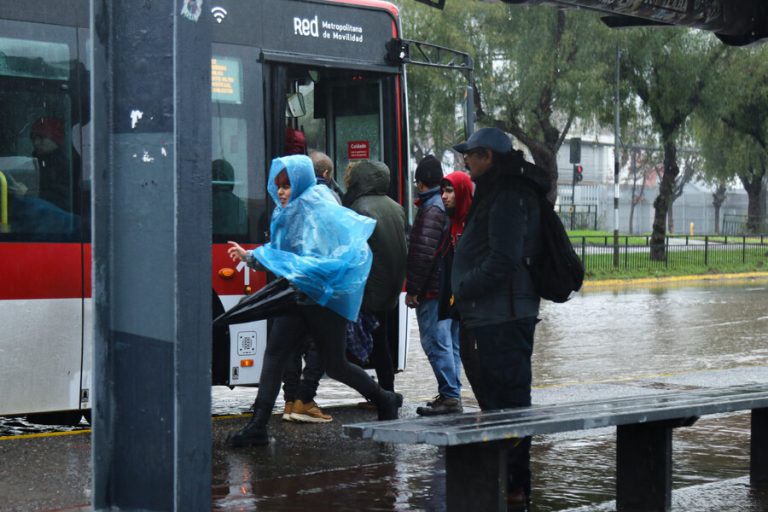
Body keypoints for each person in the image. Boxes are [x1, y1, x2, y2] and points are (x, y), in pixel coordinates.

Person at [226, 154, 400, 447]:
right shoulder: (286, 211)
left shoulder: (319, 206)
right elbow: (283, 255)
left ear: (300, 181)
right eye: (278, 186)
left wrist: (257, 257)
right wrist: (251, 258)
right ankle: (257, 426)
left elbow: (314, 259)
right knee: (275, 355)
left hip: (323, 300)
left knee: (335, 365)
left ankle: (384, 398)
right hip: (297, 295)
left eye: (287, 185)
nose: (281, 191)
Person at [450, 127, 544, 508]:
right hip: (493, 315)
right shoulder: (497, 190)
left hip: (503, 317)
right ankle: (507, 481)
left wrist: (464, 286)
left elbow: (503, 259)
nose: (465, 162)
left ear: (488, 156)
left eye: (470, 155)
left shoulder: (507, 195)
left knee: (509, 403)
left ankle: (514, 486)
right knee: (500, 404)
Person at [343, 160, 407, 397]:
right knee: (382, 343)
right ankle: (387, 390)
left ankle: (381, 395)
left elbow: (353, 251)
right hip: (390, 287)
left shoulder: (358, 208)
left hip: (369, 288)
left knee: (352, 344)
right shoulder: (395, 207)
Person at [405, 155, 462, 416]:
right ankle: (452, 393)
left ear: (420, 183)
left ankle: (450, 396)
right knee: (449, 344)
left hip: (432, 291)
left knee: (435, 343)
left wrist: (413, 290)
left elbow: (422, 254)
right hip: (445, 288)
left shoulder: (431, 209)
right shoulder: (442, 205)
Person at [437, 171, 473, 389]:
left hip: (476, 303)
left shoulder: (474, 222)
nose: (444, 196)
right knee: (462, 349)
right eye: (443, 191)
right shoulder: (450, 222)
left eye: (449, 191)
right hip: (458, 299)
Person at [30, 117, 81, 214]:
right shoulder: (37, 161)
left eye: (41, 138)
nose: (36, 143)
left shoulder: (63, 164)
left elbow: (61, 197)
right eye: (33, 138)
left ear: (55, 139)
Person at [212, 159, 248, 237]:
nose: (218, 181)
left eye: (222, 177)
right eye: (214, 176)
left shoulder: (238, 205)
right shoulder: (204, 203)